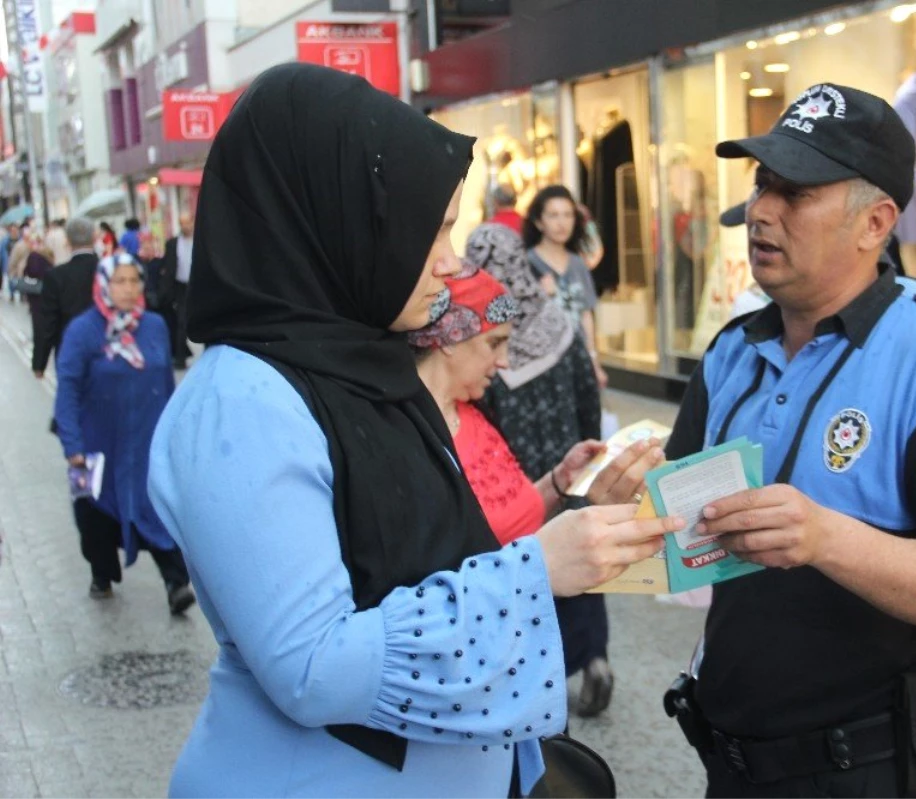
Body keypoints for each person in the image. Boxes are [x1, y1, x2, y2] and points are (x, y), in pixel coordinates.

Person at [146, 63, 682, 797]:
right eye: (429, 228)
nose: (451, 259)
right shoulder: (244, 400)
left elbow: (427, 563)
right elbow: (313, 665)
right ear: (336, 224)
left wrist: (575, 522)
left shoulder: (359, 363)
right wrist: (537, 570)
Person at [664, 83, 916, 798]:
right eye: (763, 183)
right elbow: (681, 522)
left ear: (875, 223)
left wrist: (825, 537)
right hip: (733, 759)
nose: (762, 212)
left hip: (872, 769)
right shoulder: (732, 350)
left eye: (796, 191)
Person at [470, 223, 617, 716]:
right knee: (585, 562)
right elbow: (586, 393)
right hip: (572, 464)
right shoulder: (556, 320)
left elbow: (479, 412)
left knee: (539, 572)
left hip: (517, 479)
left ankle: (548, 669)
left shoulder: (487, 335)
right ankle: (595, 656)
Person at [410, 259, 662, 543]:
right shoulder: (409, 437)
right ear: (448, 339)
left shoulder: (471, 412)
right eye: (494, 343)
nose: (505, 361)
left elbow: (515, 518)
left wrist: (559, 480)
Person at [54, 253, 193, 611]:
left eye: (135, 280)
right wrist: (73, 444)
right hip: (98, 449)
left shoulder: (155, 326)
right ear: (103, 285)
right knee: (95, 519)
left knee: (160, 514)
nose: (129, 289)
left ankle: (176, 584)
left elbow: (166, 385)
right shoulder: (83, 332)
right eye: (120, 281)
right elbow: (67, 390)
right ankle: (102, 572)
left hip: (145, 446)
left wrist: (175, 437)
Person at [523, 185, 607, 388]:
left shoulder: (578, 264)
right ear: (539, 221)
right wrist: (540, 296)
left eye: (568, 215)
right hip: (543, 365)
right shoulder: (526, 263)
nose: (562, 223)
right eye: (553, 215)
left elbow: (585, 315)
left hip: (577, 361)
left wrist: (593, 361)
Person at [34, 218, 100, 379]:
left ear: (67, 241)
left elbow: (47, 321)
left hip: (68, 349)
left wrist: (39, 362)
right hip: (106, 350)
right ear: (94, 237)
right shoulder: (108, 270)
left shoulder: (56, 276)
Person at [159, 211, 195, 368]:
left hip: (198, 285)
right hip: (181, 287)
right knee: (181, 322)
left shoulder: (200, 241)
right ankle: (180, 357)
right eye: (181, 223)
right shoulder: (173, 243)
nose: (184, 226)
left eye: (187, 222)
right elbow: (168, 267)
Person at [19, 231, 55, 337]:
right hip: (47, 290)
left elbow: (33, 271)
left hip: (37, 292)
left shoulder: (34, 256)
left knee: (38, 321)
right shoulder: (47, 253)